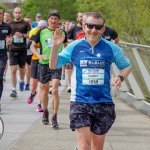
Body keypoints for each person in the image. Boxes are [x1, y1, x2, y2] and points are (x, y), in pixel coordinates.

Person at [49, 12, 131, 150]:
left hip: (103, 102)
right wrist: (55, 46)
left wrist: (120, 77)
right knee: (84, 146)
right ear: (83, 26)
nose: (93, 30)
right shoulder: (74, 46)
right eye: (90, 26)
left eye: (98, 27)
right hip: (80, 101)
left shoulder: (111, 48)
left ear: (103, 29)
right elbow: (53, 65)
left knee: (97, 148)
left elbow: (126, 66)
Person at [30, 9, 67, 127]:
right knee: (44, 90)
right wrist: (38, 54)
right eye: (52, 18)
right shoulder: (41, 32)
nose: (54, 20)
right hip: (44, 63)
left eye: (56, 19)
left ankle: (55, 116)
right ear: (48, 19)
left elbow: (66, 46)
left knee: (55, 89)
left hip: (56, 63)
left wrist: (65, 58)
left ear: (58, 20)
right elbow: (31, 46)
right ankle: (45, 111)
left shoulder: (62, 32)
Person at [9, 7, 31, 98]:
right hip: (13, 49)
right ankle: (14, 89)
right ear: (13, 13)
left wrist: (22, 35)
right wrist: (8, 39)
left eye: (19, 13)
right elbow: (7, 35)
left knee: (22, 70)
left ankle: (22, 81)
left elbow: (30, 35)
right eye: (16, 13)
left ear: (21, 13)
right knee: (13, 70)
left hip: (22, 49)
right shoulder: (9, 24)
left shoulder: (25, 24)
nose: (17, 14)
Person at [27, 20, 48, 112]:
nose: (41, 29)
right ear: (37, 28)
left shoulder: (47, 36)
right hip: (35, 60)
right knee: (34, 84)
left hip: (44, 62)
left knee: (41, 84)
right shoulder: (34, 35)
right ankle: (32, 93)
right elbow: (28, 46)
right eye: (40, 27)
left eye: (43, 27)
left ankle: (39, 104)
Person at [0, 7, 12, 111]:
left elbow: (10, 37)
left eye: (0, 13)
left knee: (0, 77)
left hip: (2, 56)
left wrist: (9, 40)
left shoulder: (7, 27)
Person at [3, 11, 12, 81]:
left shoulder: (11, 25)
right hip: (1, 44)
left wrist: (9, 40)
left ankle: (4, 74)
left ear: (10, 17)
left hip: (8, 45)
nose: (6, 17)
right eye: (5, 15)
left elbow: (11, 35)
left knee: (5, 60)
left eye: (8, 16)